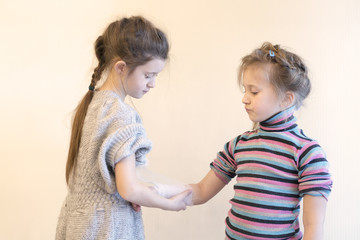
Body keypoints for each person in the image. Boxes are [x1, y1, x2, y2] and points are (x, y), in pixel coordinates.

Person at [55, 16, 192, 240]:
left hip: (77, 223)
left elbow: (111, 181)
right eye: (148, 75)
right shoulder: (121, 114)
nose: (153, 83)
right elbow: (128, 188)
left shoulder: (92, 104)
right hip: (107, 227)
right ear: (121, 67)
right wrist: (169, 203)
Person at [189, 42, 332, 240]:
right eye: (244, 90)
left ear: (286, 99)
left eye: (254, 92)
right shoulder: (238, 146)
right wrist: (152, 191)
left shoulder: (307, 153)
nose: (244, 99)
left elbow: (313, 226)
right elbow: (201, 191)